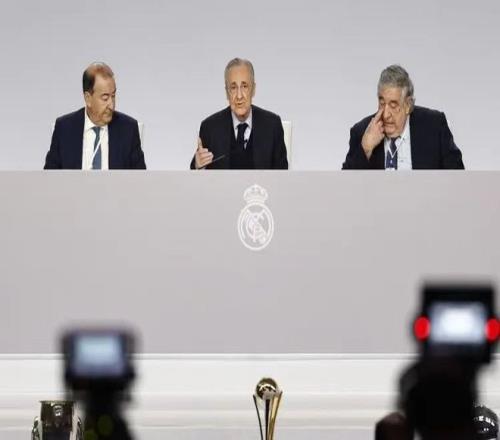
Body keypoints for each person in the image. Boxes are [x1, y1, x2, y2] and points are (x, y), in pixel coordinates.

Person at [342, 65, 464, 170]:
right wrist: (366, 148)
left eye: (393, 105)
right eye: (382, 103)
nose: (385, 115)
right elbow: (345, 185)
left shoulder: (435, 127)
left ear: (408, 105)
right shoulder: (361, 131)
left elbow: (458, 179)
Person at [44, 62, 146, 170]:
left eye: (113, 96)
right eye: (105, 98)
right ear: (88, 98)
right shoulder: (64, 129)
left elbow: (140, 178)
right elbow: (49, 177)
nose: (111, 105)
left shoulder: (129, 129)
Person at [191, 58, 288, 170]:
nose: (239, 96)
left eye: (244, 86)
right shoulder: (210, 128)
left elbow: (283, 176)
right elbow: (196, 174)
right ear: (227, 92)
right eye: (233, 88)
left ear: (253, 89)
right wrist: (197, 165)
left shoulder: (272, 126)